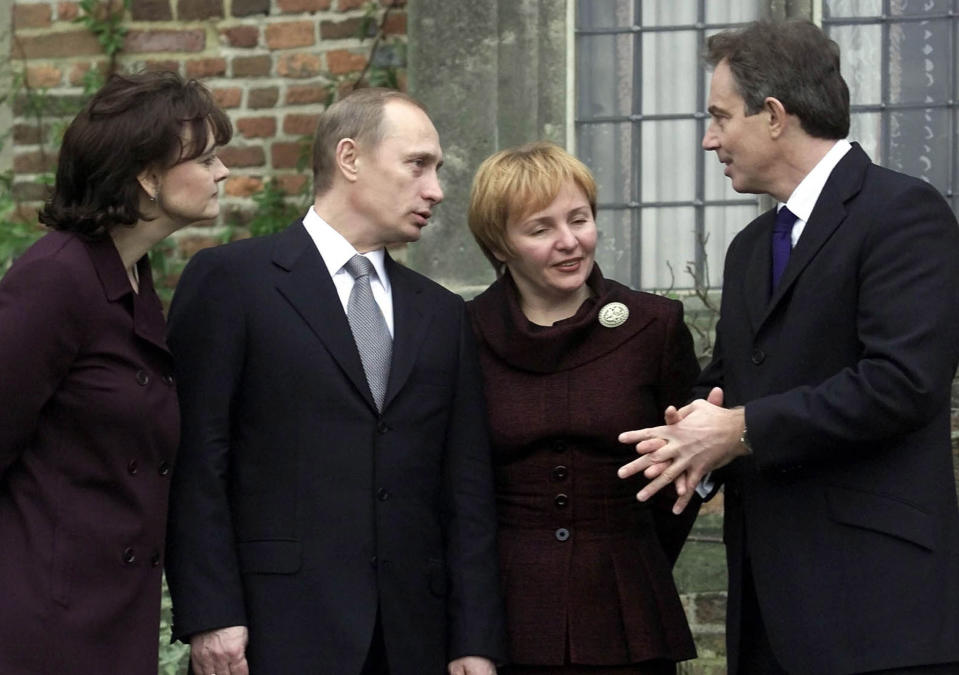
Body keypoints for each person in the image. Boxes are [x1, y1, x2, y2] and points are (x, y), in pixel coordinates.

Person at [618, 20, 959, 675]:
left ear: (773, 115)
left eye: (719, 116)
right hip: (768, 615)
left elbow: (901, 383)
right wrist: (689, 436)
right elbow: (726, 384)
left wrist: (738, 429)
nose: (708, 137)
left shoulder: (902, 214)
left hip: (876, 615)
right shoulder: (751, 248)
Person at [164, 87, 506, 675]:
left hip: (413, 641)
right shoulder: (232, 282)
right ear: (349, 158)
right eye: (417, 164)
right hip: (273, 633)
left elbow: (466, 489)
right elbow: (197, 462)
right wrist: (210, 613)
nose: (436, 190)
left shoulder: (443, 313)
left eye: (437, 170)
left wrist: (473, 641)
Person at [0, 71, 231, 673]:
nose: (222, 172)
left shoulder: (134, 279)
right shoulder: (54, 278)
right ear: (148, 178)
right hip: (43, 624)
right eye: (205, 158)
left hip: (112, 618)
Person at [466, 141, 701, 674]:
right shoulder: (462, 333)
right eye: (540, 228)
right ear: (500, 245)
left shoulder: (653, 326)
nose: (570, 242)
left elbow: (686, 476)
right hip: (506, 611)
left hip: (627, 607)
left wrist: (633, 555)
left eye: (579, 219)